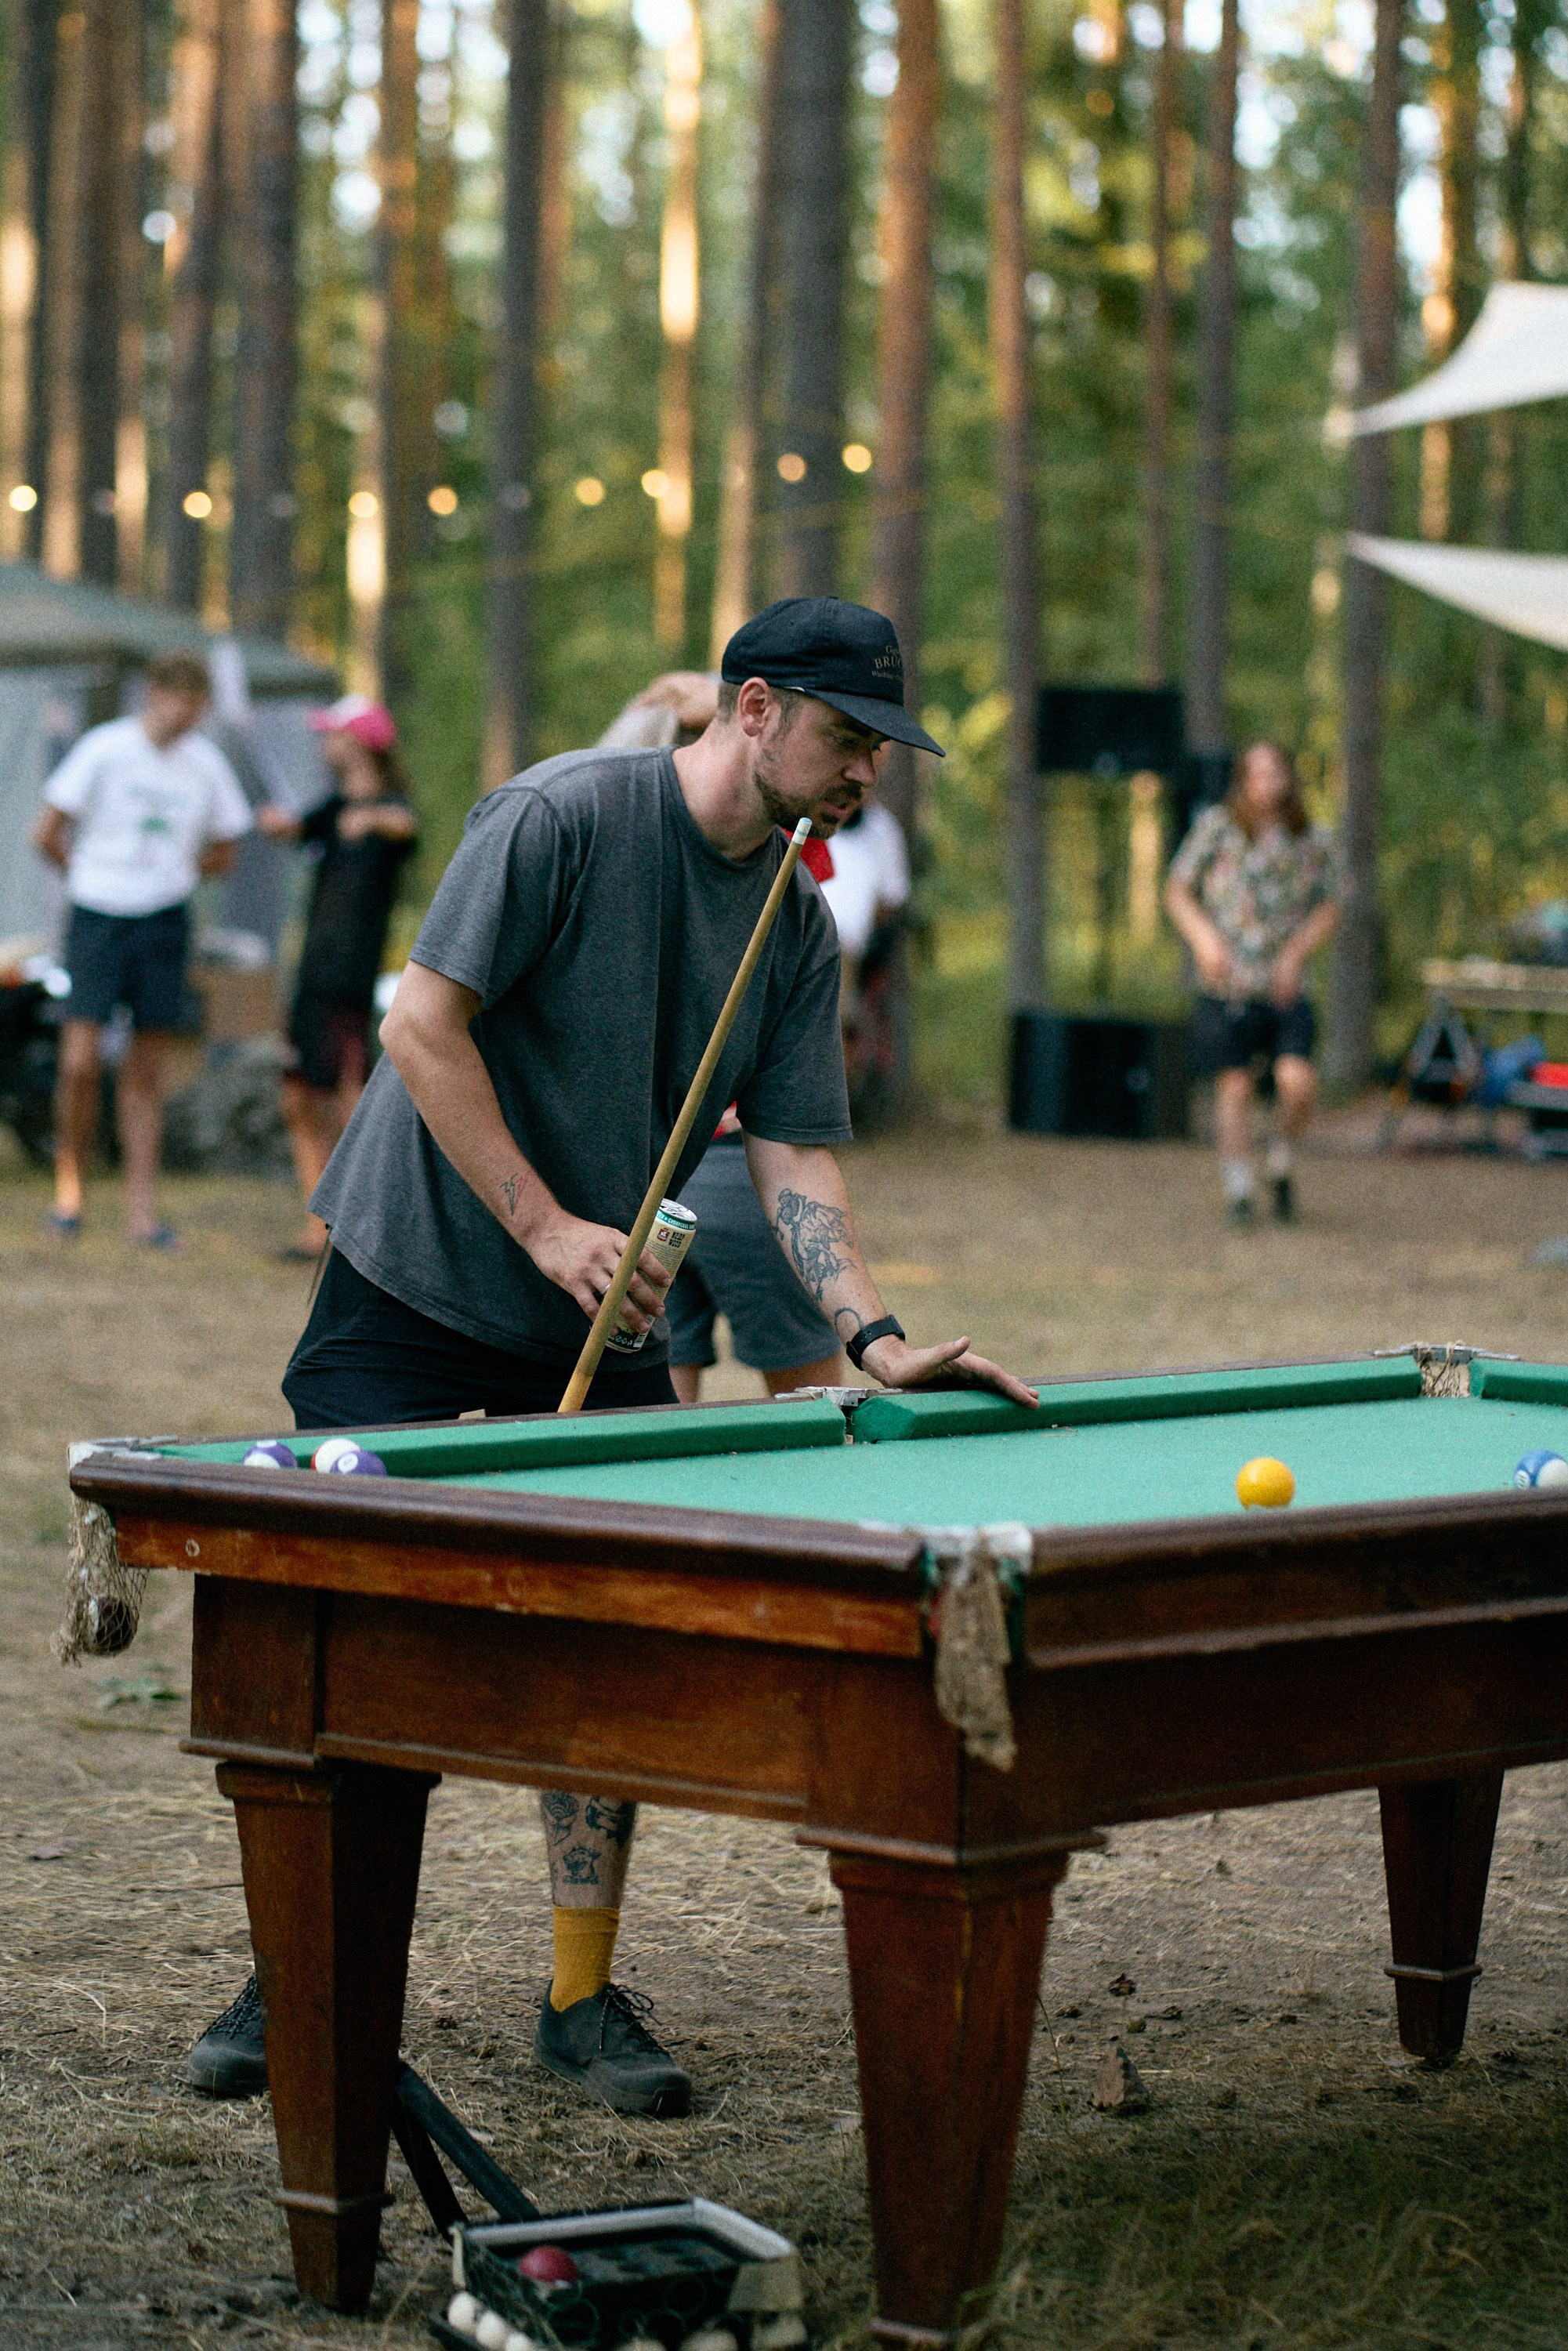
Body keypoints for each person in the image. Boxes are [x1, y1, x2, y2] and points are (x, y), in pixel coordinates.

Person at [185, 596, 1037, 2114]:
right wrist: (545, 1226)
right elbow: (421, 1027)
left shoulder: (793, 916)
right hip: (414, 1268)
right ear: (755, 708)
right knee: (345, 1620)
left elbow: (794, 1158)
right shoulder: (560, 815)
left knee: (600, 1642)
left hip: (592, 1314)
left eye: (882, 755)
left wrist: (871, 1334)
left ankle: (578, 1998)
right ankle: (298, 1963)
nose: (863, 779)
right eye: (848, 742)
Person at [597, 670, 842, 1404]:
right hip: (738, 1170)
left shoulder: (610, 848)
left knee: (659, 1410)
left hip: (642, 1178)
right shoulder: (761, 856)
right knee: (814, 1409)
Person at [31, 650, 253, 1248]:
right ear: (157, 695)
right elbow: (46, 833)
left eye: (201, 707)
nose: (192, 716)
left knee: (146, 1070)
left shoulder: (204, 764)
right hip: (97, 918)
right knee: (79, 1061)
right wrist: (91, 875)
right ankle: (70, 1193)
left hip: (163, 922)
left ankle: (141, 1214)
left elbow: (227, 850)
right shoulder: (105, 749)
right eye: (186, 703)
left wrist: (175, 872)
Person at [258, 696, 418, 1260]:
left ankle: (362, 1224)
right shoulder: (328, 809)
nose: (325, 744)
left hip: (349, 980)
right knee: (299, 1097)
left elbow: (406, 825)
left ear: (360, 741)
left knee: (352, 1100)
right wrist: (279, 823)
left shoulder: (390, 810)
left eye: (333, 734)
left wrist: (371, 818)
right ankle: (319, 1221)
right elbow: (296, 827)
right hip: (312, 975)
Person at [1164, 741, 1342, 1224]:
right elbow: (1177, 889)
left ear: (1287, 778)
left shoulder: (1312, 839)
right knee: (1236, 1087)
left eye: (1274, 772)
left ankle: (1280, 1161)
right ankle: (1239, 1188)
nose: (1266, 782)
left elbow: (1331, 905)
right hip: (1228, 986)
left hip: (1284, 987)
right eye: (1256, 774)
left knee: (1297, 1082)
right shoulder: (1217, 830)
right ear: (1243, 780)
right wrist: (1204, 940)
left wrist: (1295, 954)